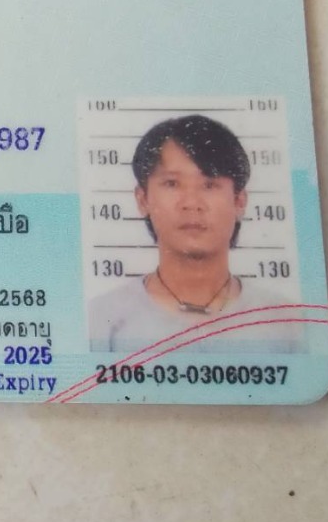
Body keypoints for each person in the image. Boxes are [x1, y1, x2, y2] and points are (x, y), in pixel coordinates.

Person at [88, 114, 304, 354]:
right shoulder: (101, 322)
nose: (191, 203)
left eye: (209, 185)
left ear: (239, 201)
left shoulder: (287, 325)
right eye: (172, 183)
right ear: (143, 199)